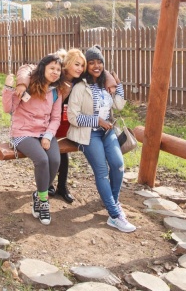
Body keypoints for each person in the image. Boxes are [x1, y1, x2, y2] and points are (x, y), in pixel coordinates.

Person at [15, 48, 117, 203]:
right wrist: (22, 83)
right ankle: (47, 186)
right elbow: (27, 68)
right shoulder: (57, 73)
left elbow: (100, 70)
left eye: (81, 65)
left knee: (62, 152)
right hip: (47, 117)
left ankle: (61, 186)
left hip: (65, 118)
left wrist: (111, 80)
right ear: (67, 64)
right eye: (76, 64)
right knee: (52, 152)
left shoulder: (79, 76)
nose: (80, 68)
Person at [66, 45, 136, 233]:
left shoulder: (106, 84)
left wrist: (118, 86)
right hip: (88, 133)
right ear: (86, 66)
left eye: (99, 62)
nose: (96, 66)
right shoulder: (80, 88)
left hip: (107, 133)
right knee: (102, 171)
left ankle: (112, 202)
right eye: (91, 63)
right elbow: (73, 117)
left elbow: (119, 106)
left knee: (118, 165)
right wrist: (97, 120)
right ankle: (114, 215)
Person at [2, 54, 63, 225]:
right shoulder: (28, 85)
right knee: (42, 160)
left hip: (44, 132)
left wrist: (48, 136)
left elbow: (56, 118)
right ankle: (43, 202)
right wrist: (8, 88)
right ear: (43, 68)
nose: (55, 72)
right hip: (23, 132)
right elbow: (8, 108)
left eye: (58, 70)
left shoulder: (56, 91)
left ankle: (39, 194)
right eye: (52, 68)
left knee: (55, 161)